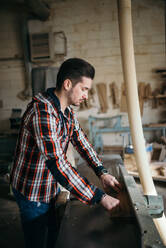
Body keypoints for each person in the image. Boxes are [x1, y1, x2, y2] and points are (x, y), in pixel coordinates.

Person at [10, 58, 121, 248]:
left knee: (55, 234)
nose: (86, 95)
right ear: (68, 84)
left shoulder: (66, 112)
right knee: (37, 242)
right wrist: (100, 197)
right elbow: (57, 163)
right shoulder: (42, 112)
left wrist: (102, 172)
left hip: (50, 187)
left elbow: (82, 143)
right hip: (32, 192)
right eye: (84, 89)